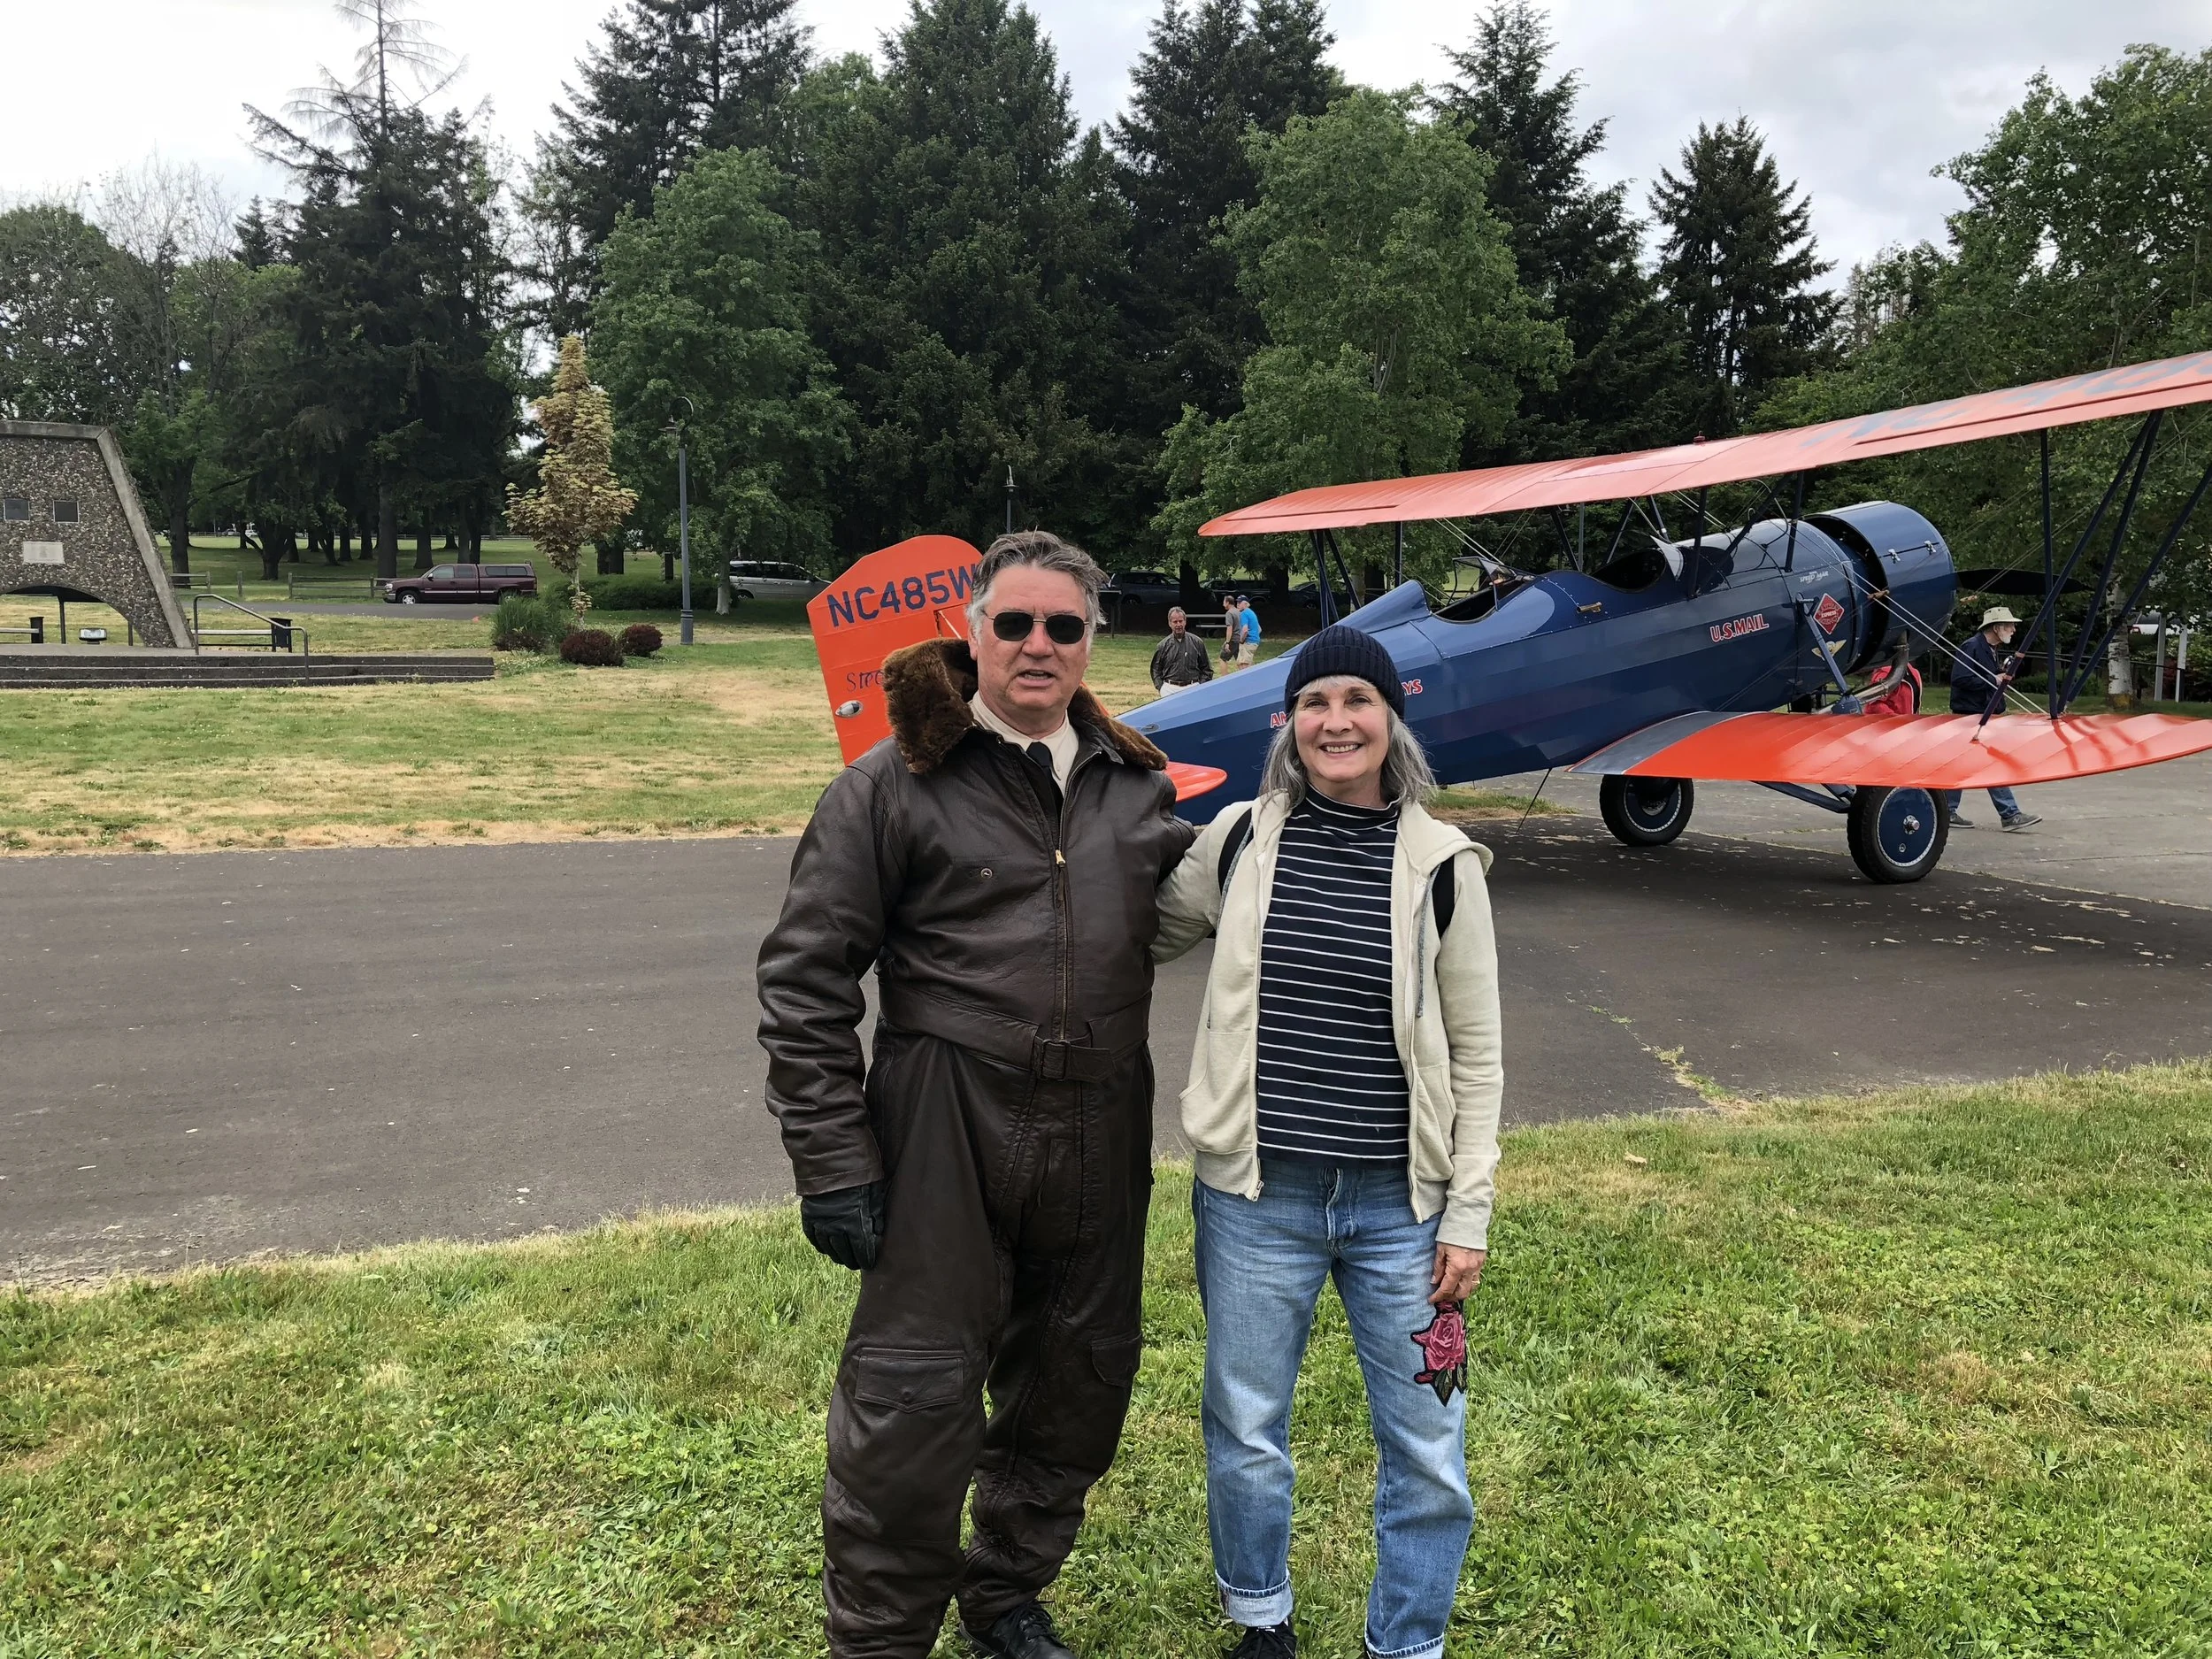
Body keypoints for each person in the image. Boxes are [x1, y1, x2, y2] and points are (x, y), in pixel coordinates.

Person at [757, 530, 1196, 1659]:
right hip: (943, 1117)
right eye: (1014, 623)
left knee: (1078, 1377)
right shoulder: (891, 783)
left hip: (1100, 1117)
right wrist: (834, 1158)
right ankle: (881, 1635)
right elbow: (806, 976)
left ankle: (1003, 1593)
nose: (1037, 645)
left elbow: (1225, 882)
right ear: (973, 632)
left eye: (1064, 627)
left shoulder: (1134, 785)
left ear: (1094, 642)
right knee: (911, 1400)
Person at [1152, 624, 1503, 1659]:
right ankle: (1260, 1618)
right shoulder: (1240, 842)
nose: (1335, 720)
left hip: (1404, 1211)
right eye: (1315, 702)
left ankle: (1404, 1642)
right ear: (1288, 722)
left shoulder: (1443, 865)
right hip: (1257, 1202)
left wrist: (1467, 1212)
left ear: (1390, 719)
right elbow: (1127, 933)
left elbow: (1478, 1058)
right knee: (1247, 1429)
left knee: (1430, 1443)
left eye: (1357, 699)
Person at [1941, 605, 2043, 831]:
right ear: (1996, 627)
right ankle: (2010, 814)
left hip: (1981, 713)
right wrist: (1993, 679)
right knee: (1991, 763)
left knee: (1962, 764)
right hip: (1971, 715)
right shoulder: (1972, 647)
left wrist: (1998, 678)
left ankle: (1947, 811)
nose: (2014, 629)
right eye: (2009, 625)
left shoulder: (1988, 648)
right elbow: (1960, 679)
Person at [1152, 604, 1214, 693]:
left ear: (1185, 622)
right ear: (1170, 623)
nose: (1178, 625)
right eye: (1175, 622)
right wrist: (1161, 688)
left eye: (1181, 621)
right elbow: (1156, 670)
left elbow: (1206, 669)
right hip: (1169, 689)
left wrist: (1200, 686)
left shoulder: (1197, 643)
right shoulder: (1163, 646)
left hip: (1193, 688)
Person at [1234, 594, 1262, 668]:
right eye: (1237, 602)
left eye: (1240, 603)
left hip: (1248, 642)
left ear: (1246, 603)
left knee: (1245, 665)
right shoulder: (1251, 612)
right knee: (1240, 663)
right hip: (1254, 642)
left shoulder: (1244, 613)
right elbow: (1259, 629)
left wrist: (1241, 640)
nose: (1238, 604)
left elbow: (1245, 630)